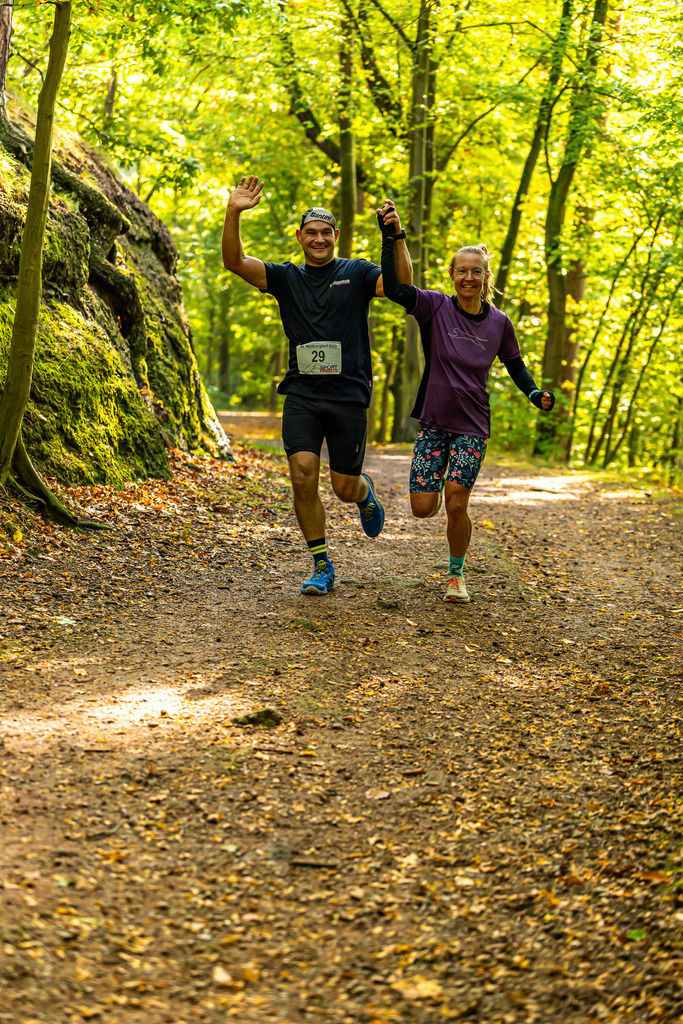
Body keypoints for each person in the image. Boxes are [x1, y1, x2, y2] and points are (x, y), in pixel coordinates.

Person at [221, 175, 413, 595]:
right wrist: (233, 211)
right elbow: (235, 261)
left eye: (326, 232)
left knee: (343, 488)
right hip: (303, 395)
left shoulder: (357, 272)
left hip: (348, 395)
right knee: (303, 475)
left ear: (336, 236)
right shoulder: (285, 277)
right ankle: (321, 564)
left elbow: (400, 286)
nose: (319, 238)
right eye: (311, 232)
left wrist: (395, 236)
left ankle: (364, 491)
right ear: (300, 237)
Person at [376, 204, 554, 604]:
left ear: (486, 277)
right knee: (423, 508)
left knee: (456, 502)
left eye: (476, 272)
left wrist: (533, 393)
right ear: (452, 275)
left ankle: (456, 575)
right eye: (462, 271)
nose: (469, 277)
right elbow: (396, 287)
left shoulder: (499, 322)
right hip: (434, 420)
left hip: (473, 425)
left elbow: (515, 364)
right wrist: (392, 237)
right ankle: (429, 498)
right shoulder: (435, 307)